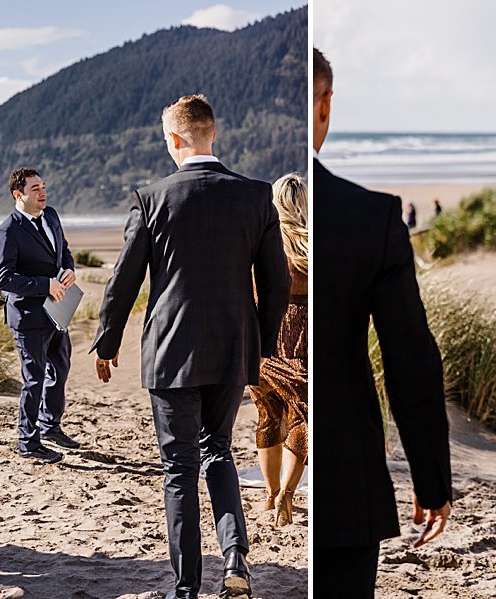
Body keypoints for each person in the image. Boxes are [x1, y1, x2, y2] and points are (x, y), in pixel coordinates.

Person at [90, 94, 289, 599]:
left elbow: (124, 280)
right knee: (217, 452)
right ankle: (236, 561)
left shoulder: (151, 198)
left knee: (179, 470)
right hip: (233, 348)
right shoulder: (256, 195)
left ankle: (185, 588)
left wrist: (107, 341)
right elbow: (277, 283)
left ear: (174, 140)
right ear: (212, 134)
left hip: (171, 350)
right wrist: (261, 347)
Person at [310, 47, 453, 598]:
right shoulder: (370, 219)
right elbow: (409, 358)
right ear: (325, 106)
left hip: (257, 459)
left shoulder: (253, 209)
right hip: (342, 463)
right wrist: (432, 478)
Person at [0, 166, 79, 464]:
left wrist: (69, 270)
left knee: (61, 368)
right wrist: (45, 285)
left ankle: (50, 425)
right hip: (28, 317)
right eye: (35, 189)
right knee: (34, 379)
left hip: (57, 311)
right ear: (19, 195)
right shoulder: (8, 230)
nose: (42, 192)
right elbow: (3, 278)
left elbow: (63, 250)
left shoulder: (51, 215)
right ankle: (28, 441)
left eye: (43, 186)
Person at [250, 172, 309, 526]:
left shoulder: (262, 241)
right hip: (301, 342)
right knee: (301, 419)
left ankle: (270, 495)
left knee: (268, 416)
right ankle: (287, 494)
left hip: (263, 341)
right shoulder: (310, 246)